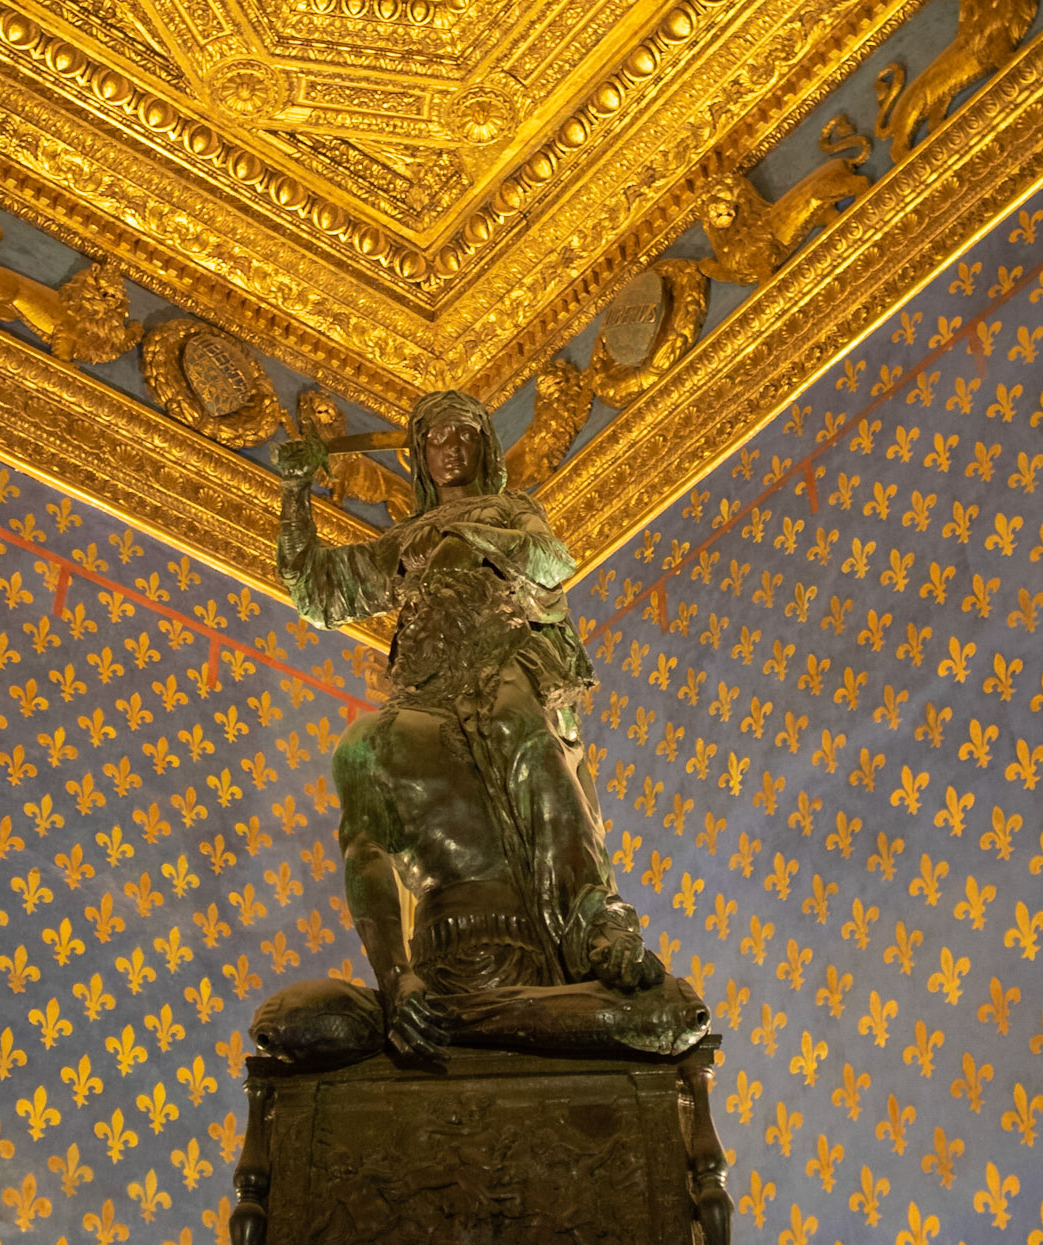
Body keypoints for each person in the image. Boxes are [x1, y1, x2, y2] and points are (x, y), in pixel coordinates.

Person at [261, 387, 709, 1069]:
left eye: (465, 436)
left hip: (502, 652)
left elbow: (552, 561)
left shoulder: (509, 509)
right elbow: (317, 590)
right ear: (420, 455)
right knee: (376, 750)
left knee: (527, 742)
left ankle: (598, 925)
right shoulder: (405, 542)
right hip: (427, 670)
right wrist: (295, 492)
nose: (451, 449)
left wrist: (469, 534)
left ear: (484, 449)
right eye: (437, 439)